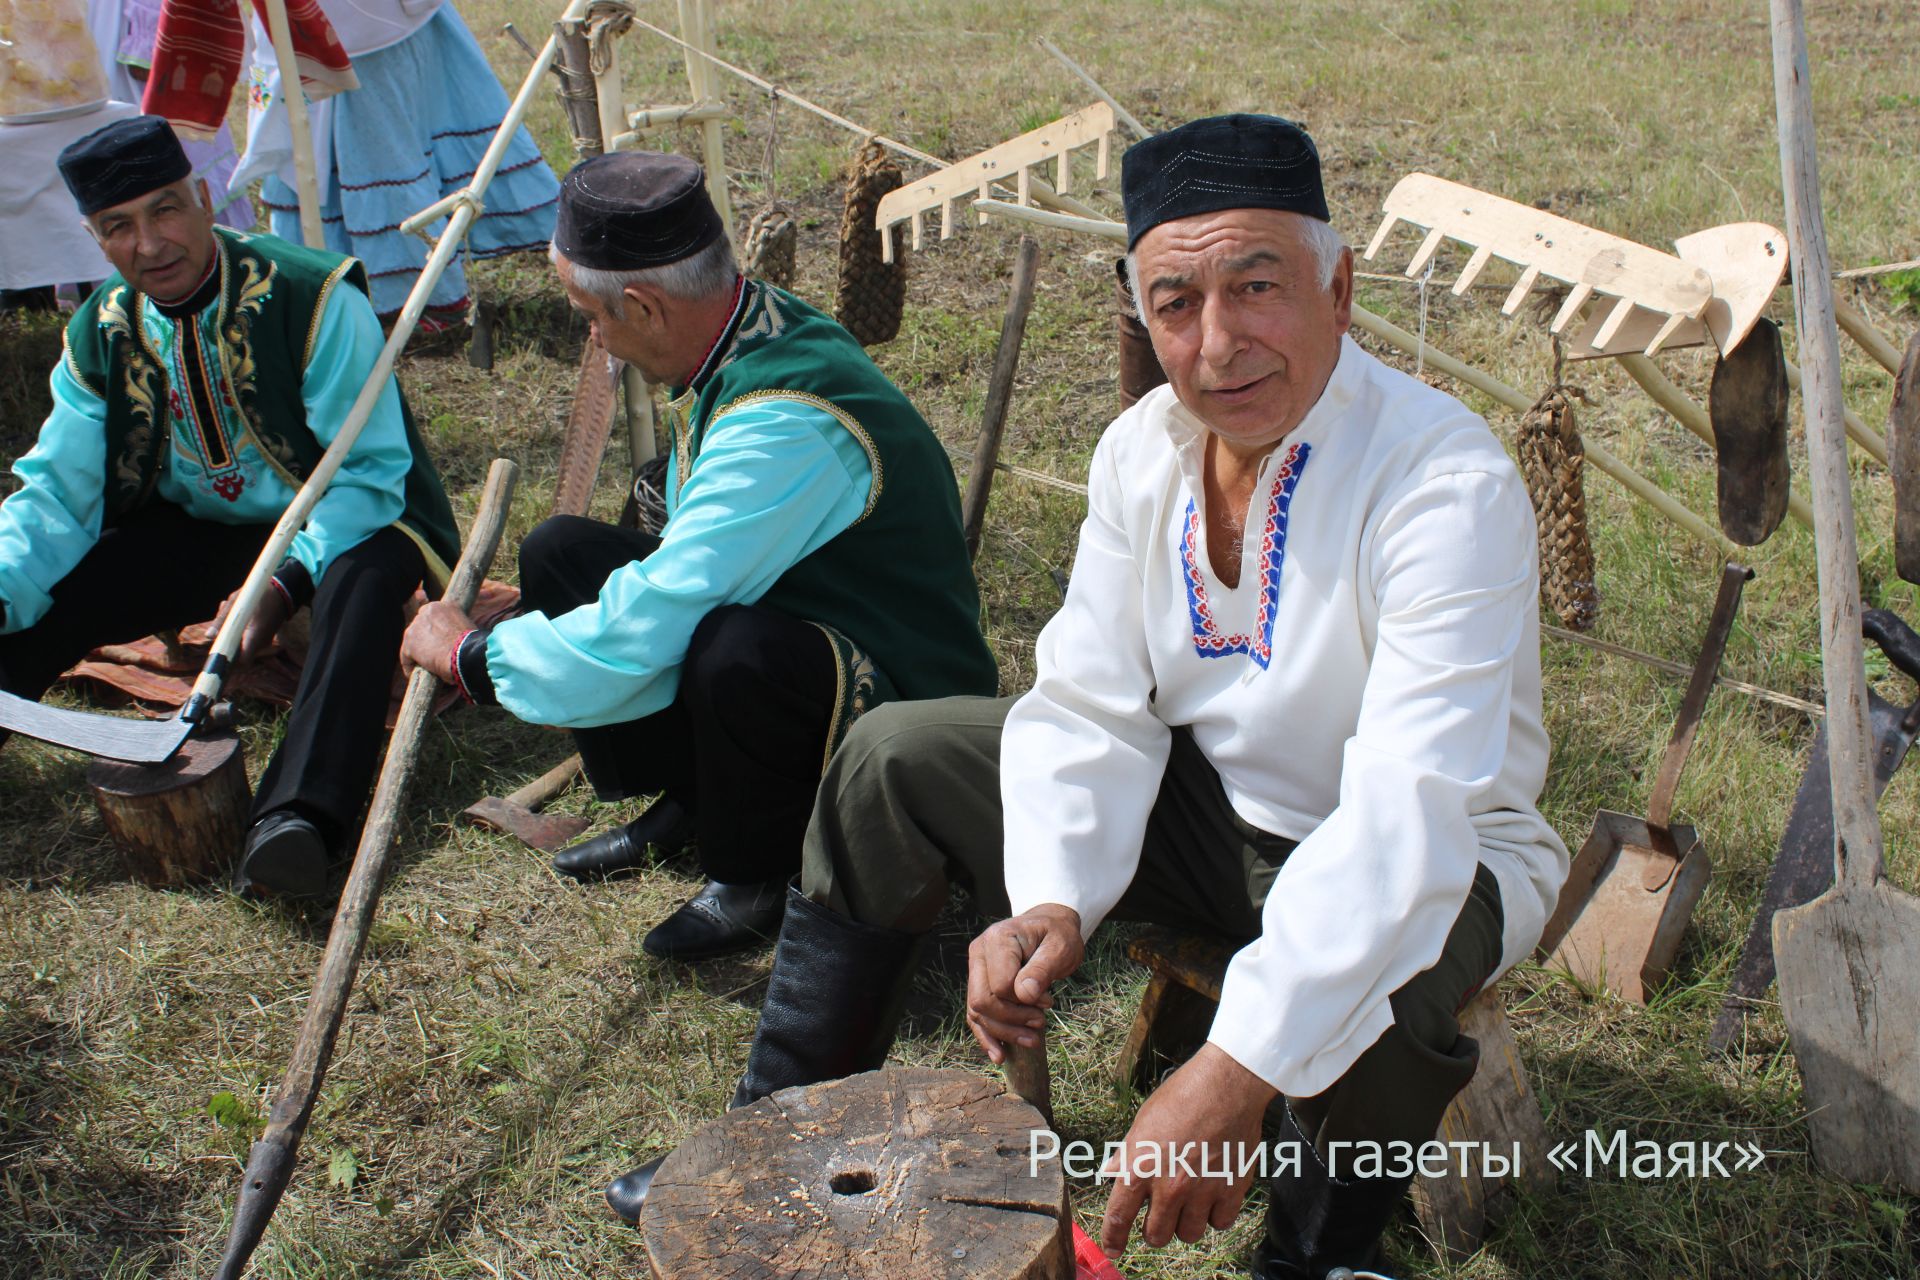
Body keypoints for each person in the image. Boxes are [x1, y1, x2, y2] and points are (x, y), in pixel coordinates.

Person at [613, 115, 1571, 1273]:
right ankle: (779, 1133)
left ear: (1341, 287)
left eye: (1255, 286)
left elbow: (1406, 819)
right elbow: (1091, 702)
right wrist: (1055, 894)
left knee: (1400, 961)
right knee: (892, 758)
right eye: (1175, 303)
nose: (1217, 343)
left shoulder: (1442, 483)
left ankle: (1323, 1250)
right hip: (1212, 809)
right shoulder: (1140, 453)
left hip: (1436, 846)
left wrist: (1231, 1069)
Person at [400, 150, 998, 962]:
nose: (592, 334)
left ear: (644, 305)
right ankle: (695, 801)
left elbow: (655, 618)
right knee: (564, 552)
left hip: (899, 688)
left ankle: (754, 868)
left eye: (593, 314)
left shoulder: (782, 421)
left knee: (728, 646)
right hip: (809, 611)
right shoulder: (736, 318)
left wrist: (471, 658)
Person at [0, 115, 460, 897]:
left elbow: (367, 478)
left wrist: (279, 588)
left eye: (166, 209)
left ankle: (299, 819)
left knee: (369, 579)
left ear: (207, 197)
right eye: (119, 226)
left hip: (348, 526)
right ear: (94, 238)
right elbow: (55, 498)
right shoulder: (99, 334)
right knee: (60, 582)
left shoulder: (313, 297)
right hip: (203, 532)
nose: (150, 244)